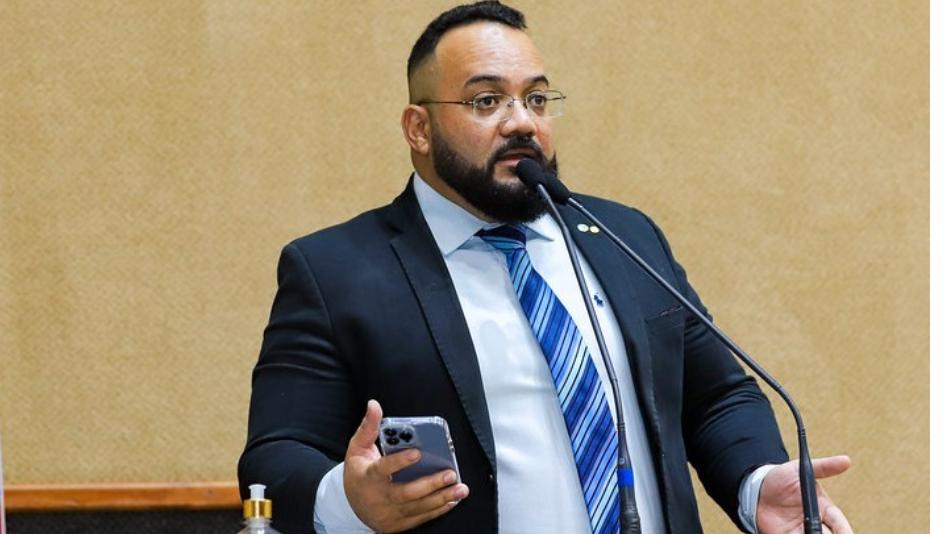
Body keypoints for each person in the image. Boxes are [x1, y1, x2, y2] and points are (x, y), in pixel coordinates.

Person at [238, 2, 853, 533]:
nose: (522, 123)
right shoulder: (336, 271)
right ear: (418, 128)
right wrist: (350, 502)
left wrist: (755, 480)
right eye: (486, 101)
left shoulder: (624, 237)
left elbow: (714, 396)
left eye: (536, 98)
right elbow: (276, 456)